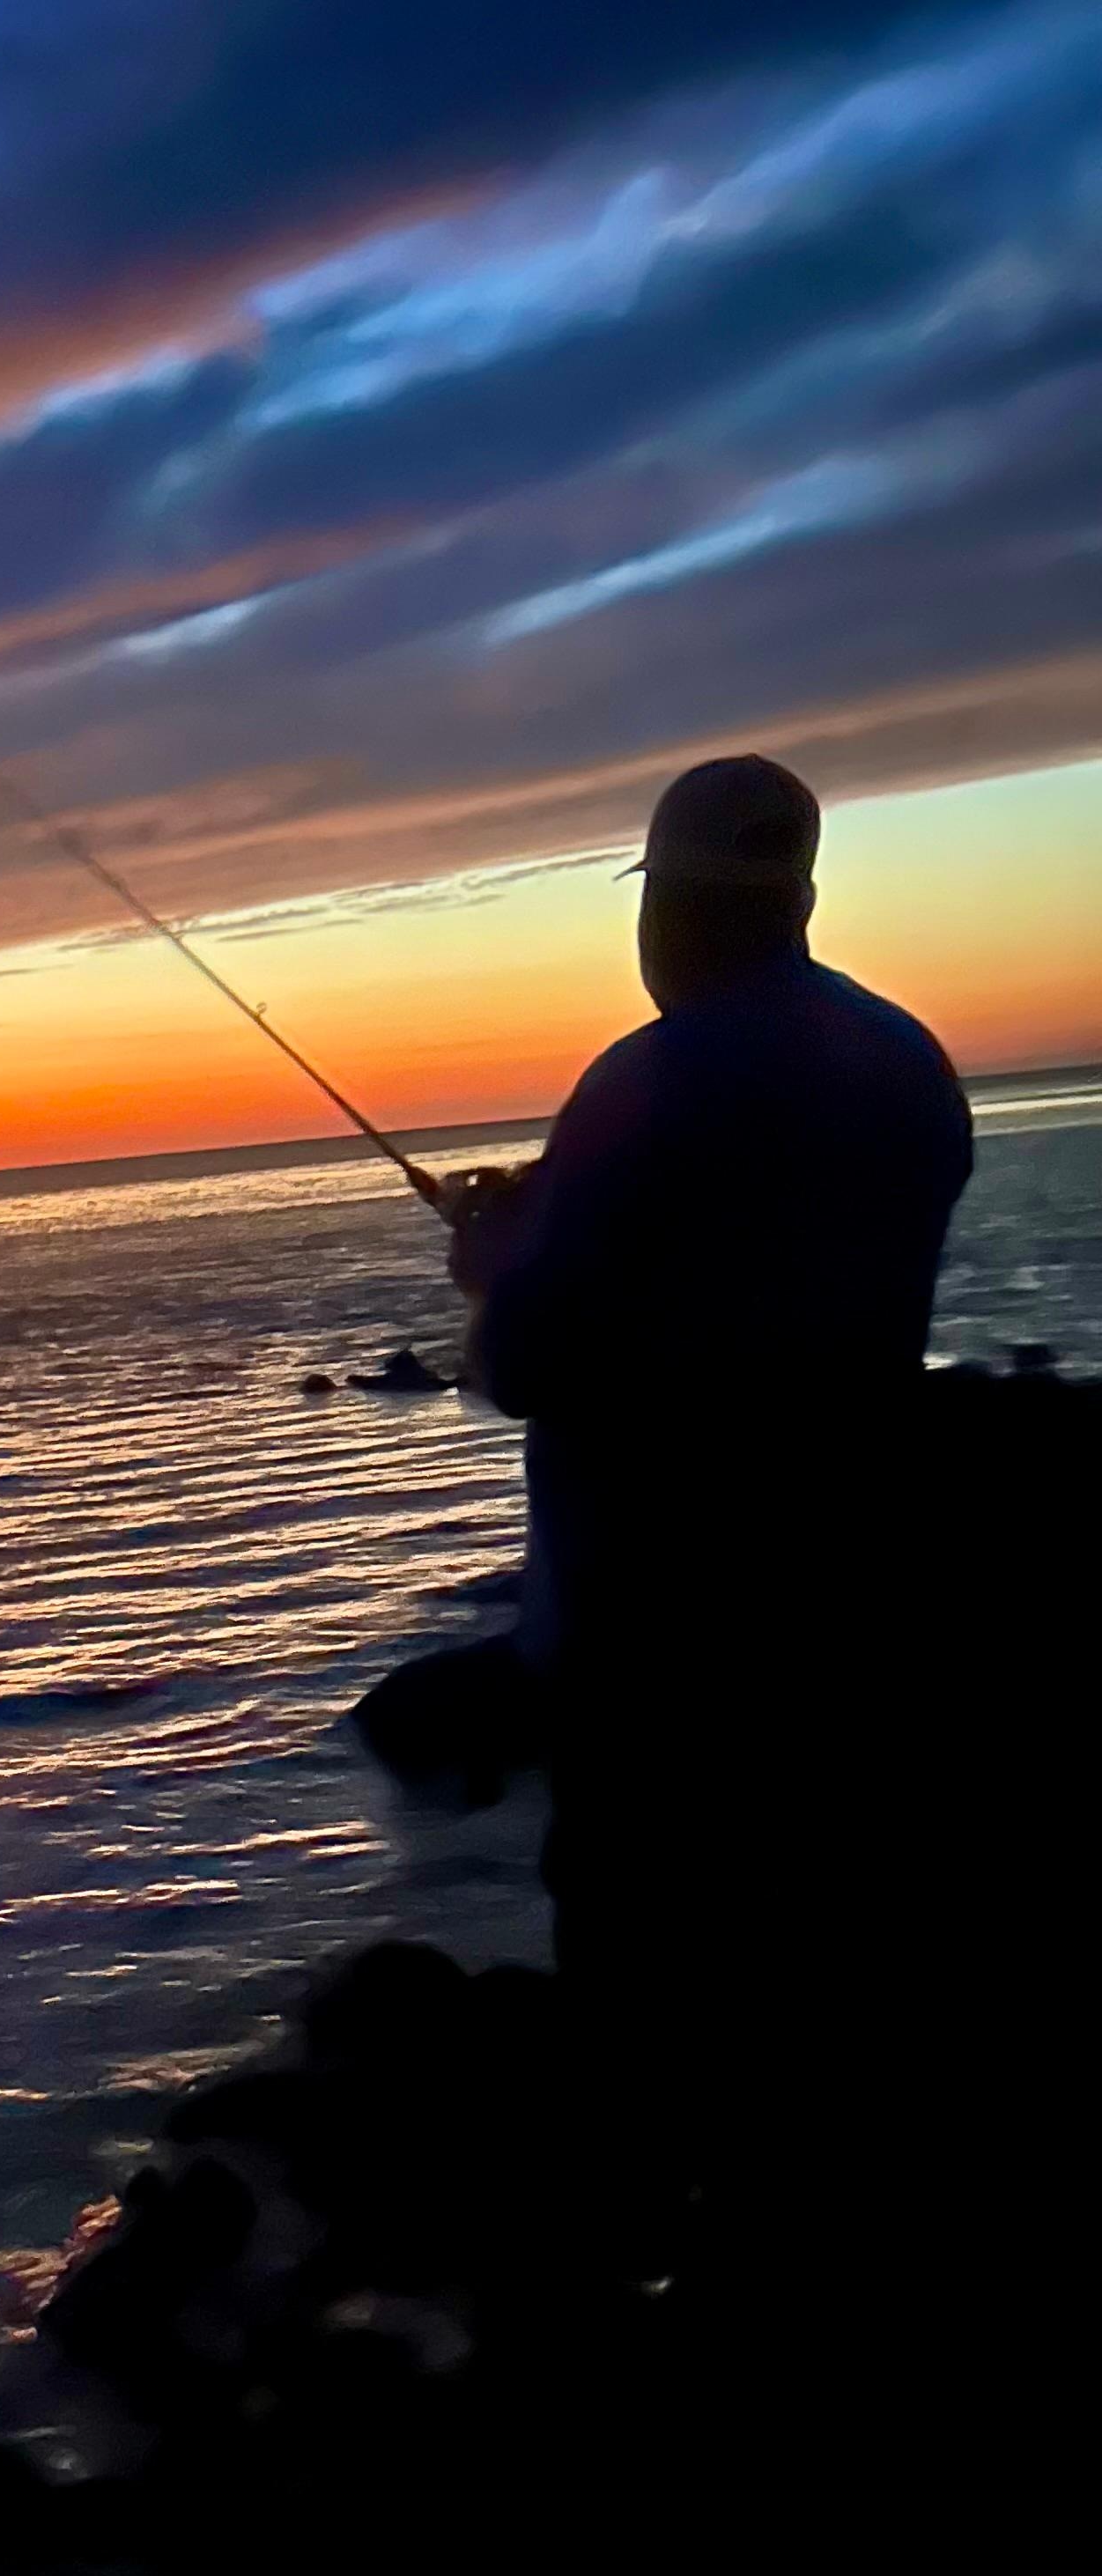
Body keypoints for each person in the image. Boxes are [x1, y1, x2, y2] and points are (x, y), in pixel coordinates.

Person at [444, 756, 973, 2252]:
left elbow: (537, 1360)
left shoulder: (646, 1079)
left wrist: (496, 1270)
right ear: (799, 894)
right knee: (826, 1997)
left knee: (647, 2005)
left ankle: (663, 2312)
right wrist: (565, 1216)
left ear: (669, 909)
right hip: (860, 1611)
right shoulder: (906, 1062)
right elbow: (767, 1264)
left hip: (657, 1644)